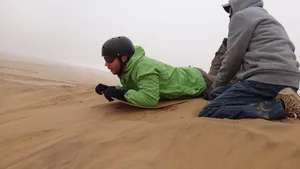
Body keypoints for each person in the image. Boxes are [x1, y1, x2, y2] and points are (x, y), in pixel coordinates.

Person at [198, 0, 300, 120]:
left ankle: (279, 107)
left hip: (264, 80)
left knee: (210, 110)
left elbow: (231, 61)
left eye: (229, 9)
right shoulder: (268, 18)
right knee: (214, 95)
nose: (229, 14)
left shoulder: (241, 16)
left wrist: (215, 86)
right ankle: (286, 101)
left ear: (237, 4)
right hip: (290, 82)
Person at [95, 36, 212, 107]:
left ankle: (227, 46)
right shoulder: (127, 69)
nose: (106, 64)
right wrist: (111, 89)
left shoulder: (144, 68)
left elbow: (149, 99)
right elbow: (137, 88)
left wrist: (120, 94)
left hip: (198, 80)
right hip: (191, 77)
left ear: (123, 58)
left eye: (109, 59)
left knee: (229, 82)